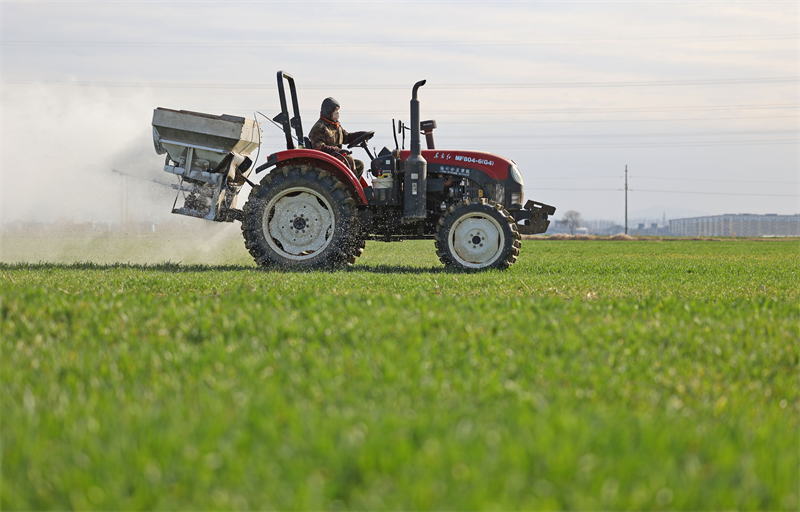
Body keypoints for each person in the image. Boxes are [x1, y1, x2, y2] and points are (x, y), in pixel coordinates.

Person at [308, 97, 370, 179]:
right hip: (327, 161)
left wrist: (362, 134)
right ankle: (354, 189)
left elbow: (346, 137)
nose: (337, 113)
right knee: (349, 159)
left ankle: (349, 187)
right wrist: (338, 151)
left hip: (337, 158)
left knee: (359, 164)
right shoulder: (319, 127)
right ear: (328, 112)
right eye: (335, 111)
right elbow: (319, 147)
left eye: (338, 111)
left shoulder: (336, 126)